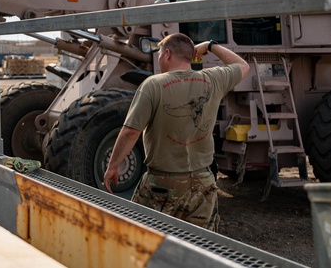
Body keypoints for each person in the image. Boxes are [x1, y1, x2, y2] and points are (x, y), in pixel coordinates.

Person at [103, 33, 249, 231]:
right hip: (203, 183)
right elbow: (243, 66)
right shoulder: (214, 79)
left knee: (149, 243)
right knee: (201, 248)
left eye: (160, 54)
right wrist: (211, 45)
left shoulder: (153, 85)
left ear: (168, 54)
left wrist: (113, 166)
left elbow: (130, 132)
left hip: (162, 184)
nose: (160, 58)